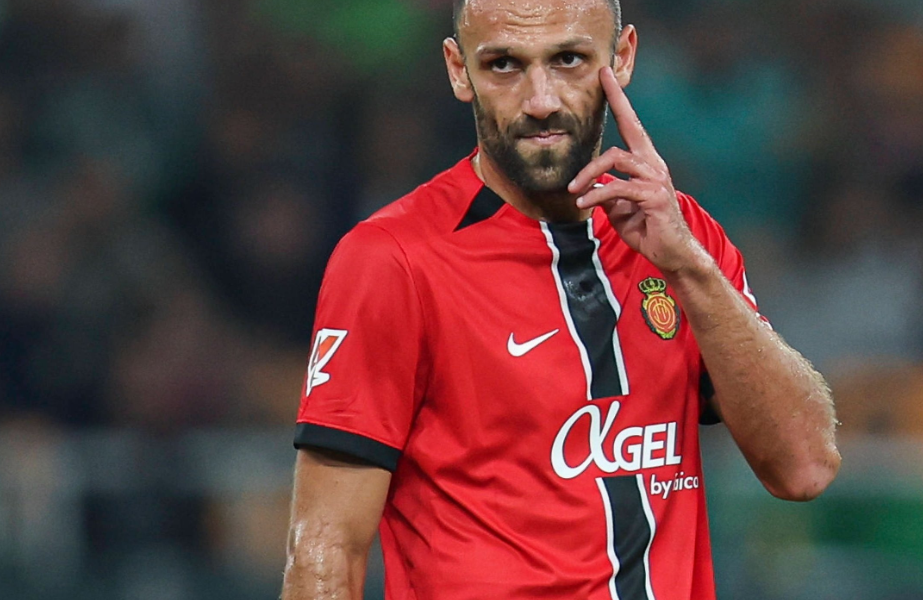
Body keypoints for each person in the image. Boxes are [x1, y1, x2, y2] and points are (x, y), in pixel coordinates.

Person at [281, 1, 840, 598]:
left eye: (569, 59)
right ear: (458, 70)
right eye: (504, 65)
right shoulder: (393, 260)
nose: (540, 100)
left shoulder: (681, 238)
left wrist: (691, 269)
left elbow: (804, 467)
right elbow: (326, 546)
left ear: (622, 57)